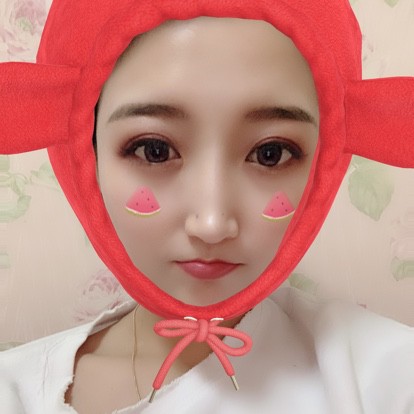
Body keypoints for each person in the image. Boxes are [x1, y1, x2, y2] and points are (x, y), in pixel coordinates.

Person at [0, 1, 413, 413]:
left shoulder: (388, 375)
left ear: (324, 159)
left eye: (270, 154)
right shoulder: (16, 391)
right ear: (86, 154)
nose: (212, 224)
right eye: (154, 150)